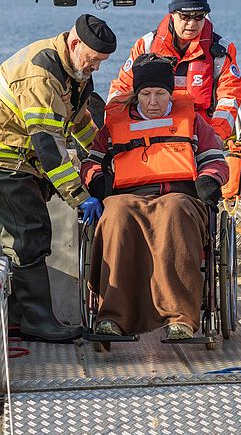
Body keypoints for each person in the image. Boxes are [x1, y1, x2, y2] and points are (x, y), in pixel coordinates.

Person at [0, 14, 116, 342]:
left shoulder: (72, 68)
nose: (97, 68)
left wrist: (107, 151)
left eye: (102, 62)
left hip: (22, 160)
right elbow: (47, 143)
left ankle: (18, 316)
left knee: (30, 234)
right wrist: (79, 195)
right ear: (75, 45)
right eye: (93, 60)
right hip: (0, 159)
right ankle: (38, 322)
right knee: (28, 235)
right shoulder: (41, 74)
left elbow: (79, 121)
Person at [82, 54, 228, 340]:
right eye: (146, 94)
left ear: (170, 93)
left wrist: (209, 180)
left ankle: (180, 317)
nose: (152, 102)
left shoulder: (193, 121)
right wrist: (97, 181)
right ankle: (112, 316)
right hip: (128, 195)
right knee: (117, 214)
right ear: (136, 94)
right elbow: (92, 161)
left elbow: (215, 159)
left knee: (175, 211)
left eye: (160, 94)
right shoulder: (115, 124)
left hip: (179, 194)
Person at [108, 0, 241, 141]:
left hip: (200, 136)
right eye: (185, 16)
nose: (192, 23)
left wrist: (215, 137)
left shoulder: (222, 52)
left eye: (199, 17)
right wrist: (114, 132)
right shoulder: (147, 46)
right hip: (152, 134)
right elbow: (122, 91)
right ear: (172, 14)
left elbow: (229, 98)